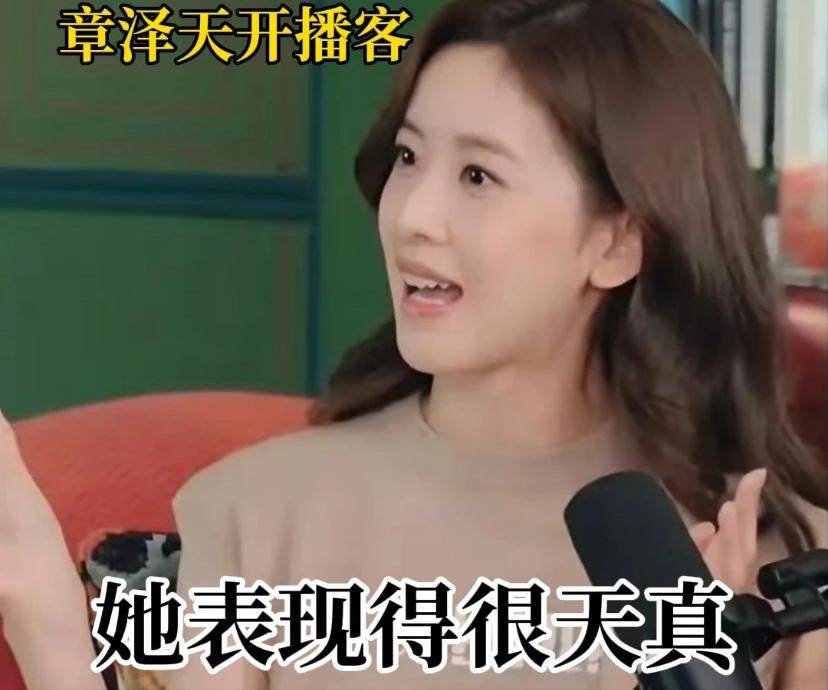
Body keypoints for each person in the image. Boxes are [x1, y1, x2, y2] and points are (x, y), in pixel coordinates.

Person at [1, 0, 826, 688]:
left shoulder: (782, 564)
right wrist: (43, 613)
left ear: (619, 241)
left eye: (478, 176)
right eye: (407, 156)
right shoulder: (259, 515)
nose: (411, 217)